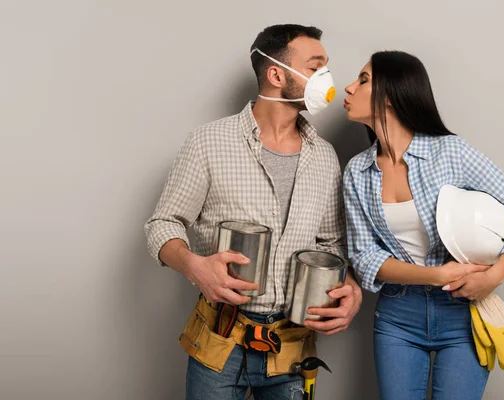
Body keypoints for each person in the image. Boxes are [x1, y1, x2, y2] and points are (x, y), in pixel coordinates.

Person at [144, 24, 362, 400]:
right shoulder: (209, 142)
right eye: (315, 67)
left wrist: (350, 287)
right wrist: (193, 265)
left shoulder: (324, 156)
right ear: (277, 74)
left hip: (292, 350)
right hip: (220, 341)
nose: (326, 78)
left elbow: (331, 242)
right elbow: (162, 224)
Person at [342, 50, 504, 400]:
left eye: (363, 80)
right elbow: (364, 257)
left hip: (462, 314)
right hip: (397, 317)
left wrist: (494, 276)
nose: (348, 88)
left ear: (389, 95)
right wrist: (436, 276)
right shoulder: (356, 172)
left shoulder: (450, 152)